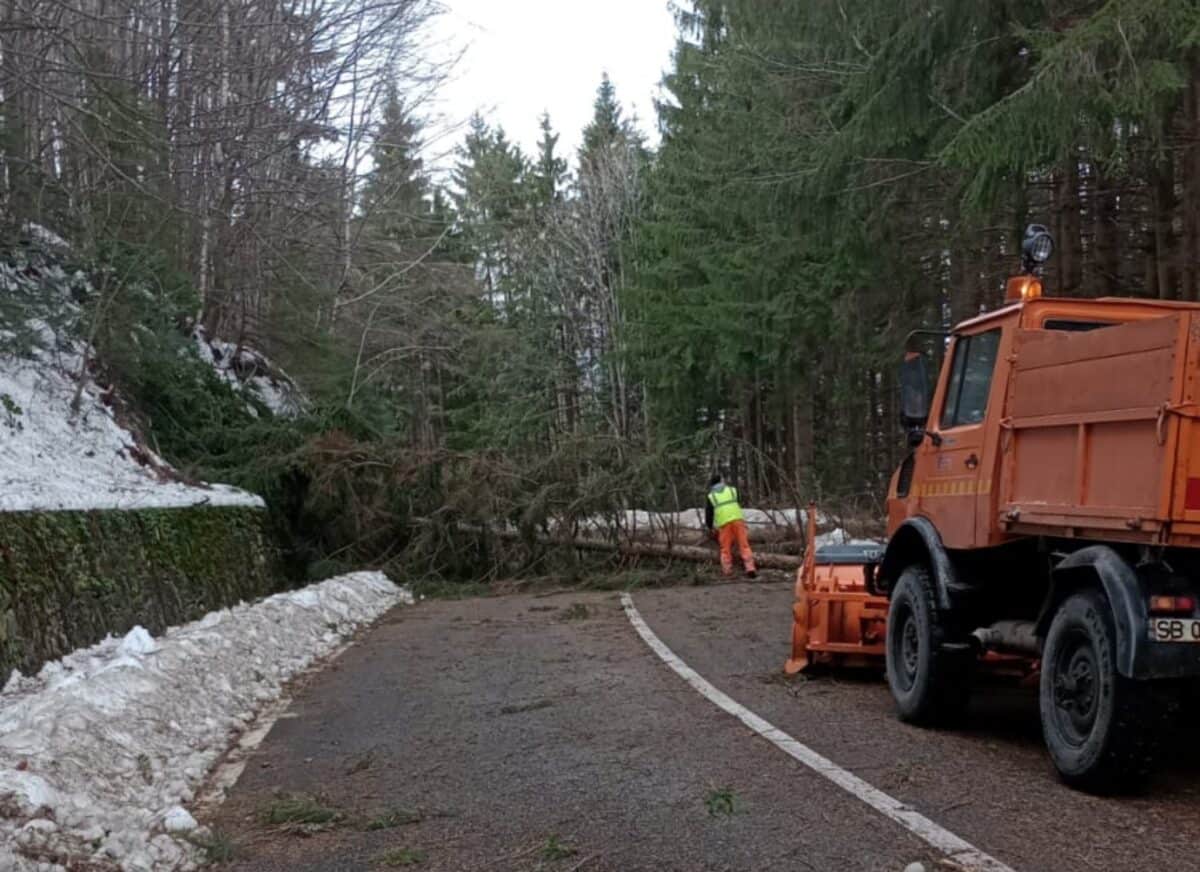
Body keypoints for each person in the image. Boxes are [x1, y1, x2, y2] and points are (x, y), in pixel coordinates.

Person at [705, 474, 757, 578]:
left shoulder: (711, 496)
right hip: (738, 519)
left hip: (724, 523)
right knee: (744, 545)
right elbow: (738, 502)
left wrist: (709, 526)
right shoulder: (733, 490)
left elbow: (709, 513)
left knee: (725, 548)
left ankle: (727, 570)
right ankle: (750, 568)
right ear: (721, 481)